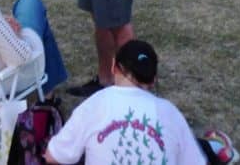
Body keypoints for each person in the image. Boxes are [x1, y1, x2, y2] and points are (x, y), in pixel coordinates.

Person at [45, 40, 211, 165]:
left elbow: (54, 156)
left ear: (113, 68)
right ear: (153, 80)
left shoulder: (95, 104)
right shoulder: (170, 113)